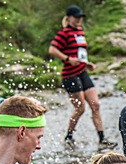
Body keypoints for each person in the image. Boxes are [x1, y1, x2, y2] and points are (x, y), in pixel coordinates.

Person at [48, 4, 116, 150]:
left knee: (96, 105)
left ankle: (102, 138)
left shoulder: (80, 31)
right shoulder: (64, 33)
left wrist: (87, 64)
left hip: (82, 72)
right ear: (69, 18)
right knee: (80, 108)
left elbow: (80, 53)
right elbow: (52, 49)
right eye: (76, 17)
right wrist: (67, 59)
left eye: (80, 17)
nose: (79, 20)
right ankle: (69, 135)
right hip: (69, 75)